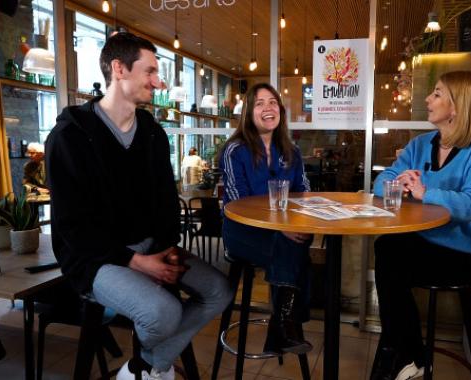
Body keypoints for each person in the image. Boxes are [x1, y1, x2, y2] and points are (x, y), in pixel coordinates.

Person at [46, 32, 232, 380]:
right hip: (95, 260)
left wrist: (165, 250)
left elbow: (164, 203)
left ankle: (145, 365)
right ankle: (153, 366)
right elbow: (73, 227)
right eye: (149, 72)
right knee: (163, 312)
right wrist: (136, 262)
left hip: (151, 246)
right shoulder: (69, 137)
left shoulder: (152, 133)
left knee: (219, 290)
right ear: (119, 69)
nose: (157, 82)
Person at [369, 71, 471, 380]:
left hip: (466, 254)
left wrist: (425, 192)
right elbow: (381, 181)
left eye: (437, 94)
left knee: (390, 255)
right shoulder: (420, 144)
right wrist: (399, 185)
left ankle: (404, 353)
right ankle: (408, 353)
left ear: (457, 106)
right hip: (425, 243)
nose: (428, 99)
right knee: (388, 248)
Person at [219, 83, 313, 355]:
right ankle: (285, 326)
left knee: (300, 241)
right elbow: (238, 205)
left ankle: (282, 326)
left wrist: (296, 224)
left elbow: (303, 191)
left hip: (280, 231)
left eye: (272, 102)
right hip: (241, 233)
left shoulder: (292, 151)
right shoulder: (235, 150)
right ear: (249, 112)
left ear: (280, 110)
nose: (268, 108)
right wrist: (282, 227)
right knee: (292, 248)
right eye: (259, 103)